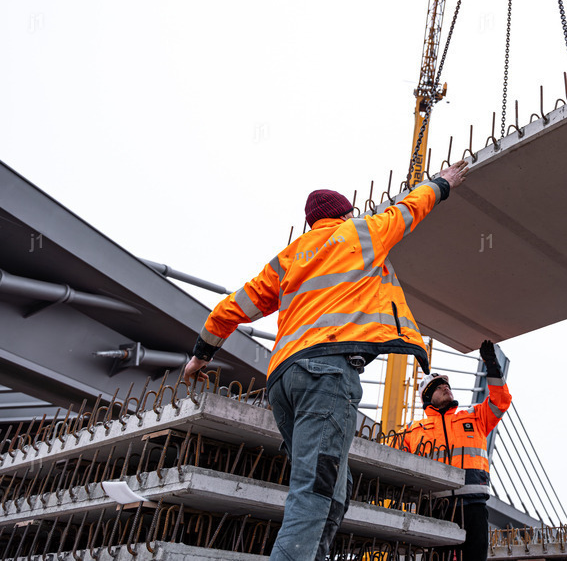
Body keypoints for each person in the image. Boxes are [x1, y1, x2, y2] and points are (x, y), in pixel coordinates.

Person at [182, 159, 469, 561]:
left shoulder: (290, 257)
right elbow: (409, 209)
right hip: (327, 373)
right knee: (315, 491)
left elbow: (234, 306)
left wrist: (201, 353)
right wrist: (443, 182)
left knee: (332, 491)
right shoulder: (361, 233)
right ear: (345, 213)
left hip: (283, 382)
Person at [402, 340, 510, 561]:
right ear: (427, 397)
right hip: (434, 506)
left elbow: (500, 401)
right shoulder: (412, 431)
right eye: (439, 387)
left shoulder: (474, 417)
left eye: (447, 386)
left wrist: (491, 365)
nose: (446, 388)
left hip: (473, 505)